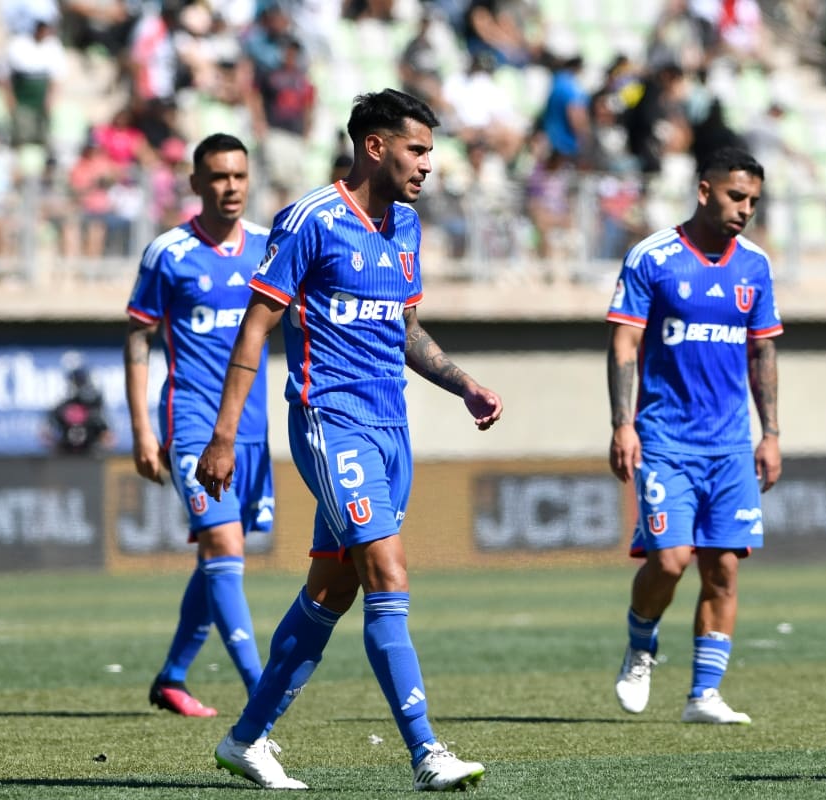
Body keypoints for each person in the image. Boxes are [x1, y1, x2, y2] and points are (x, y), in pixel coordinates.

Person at [194, 89, 502, 791]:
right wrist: (222, 435)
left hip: (392, 428)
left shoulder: (408, 228)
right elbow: (256, 327)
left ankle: (247, 738)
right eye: (417, 149)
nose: (428, 164)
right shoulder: (310, 219)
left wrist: (463, 385)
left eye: (430, 150)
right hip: (330, 422)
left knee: (329, 593)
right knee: (387, 576)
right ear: (375, 146)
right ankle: (426, 752)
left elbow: (407, 331)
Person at [606, 146, 782, 726]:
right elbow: (625, 343)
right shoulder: (652, 257)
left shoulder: (754, 265)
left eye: (753, 200)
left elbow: (762, 350)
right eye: (736, 196)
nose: (745, 209)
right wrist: (622, 423)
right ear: (704, 190)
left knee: (724, 568)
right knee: (670, 560)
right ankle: (640, 644)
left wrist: (771, 433)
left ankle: (703, 695)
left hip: (731, 446)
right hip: (664, 440)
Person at [124, 132, 275, 718]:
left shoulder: (267, 248)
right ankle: (262, 691)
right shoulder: (168, 253)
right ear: (195, 183)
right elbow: (137, 337)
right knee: (222, 543)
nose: (230, 187)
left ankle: (172, 677)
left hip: (253, 429)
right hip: (190, 422)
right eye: (217, 176)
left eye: (238, 175)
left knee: (218, 560)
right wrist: (141, 430)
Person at [47, 365, 113, 455]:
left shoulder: (94, 408)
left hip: (90, 451)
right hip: (65, 451)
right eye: (76, 383)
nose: (78, 387)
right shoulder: (62, 407)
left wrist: (101, 445)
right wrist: (55, 445)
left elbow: (107, 435)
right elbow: (47, 432)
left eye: (80, 383)